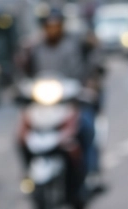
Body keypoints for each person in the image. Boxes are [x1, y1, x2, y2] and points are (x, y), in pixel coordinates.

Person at [19, 7, 104, 194]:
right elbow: (23, 72)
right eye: (49, 26)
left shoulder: (77, 42)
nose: (52, 29)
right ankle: (28, 174)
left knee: (87, 128)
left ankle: (91, 174)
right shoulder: (34, 47)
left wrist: (91, 83)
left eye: (56, 25)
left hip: (73, 101)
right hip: (44, 105)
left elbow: (95, 61)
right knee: (22, 135)